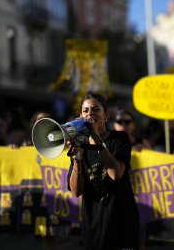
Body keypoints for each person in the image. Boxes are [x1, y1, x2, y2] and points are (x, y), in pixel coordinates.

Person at [67, 94, 140, 250]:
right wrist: (77, 161)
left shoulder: (119, 138)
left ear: (106, 115)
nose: (90, 114)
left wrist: (95, 137)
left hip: (121, 224)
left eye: (96, 109)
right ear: (80, 117)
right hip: (92, 227)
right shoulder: (80, 145)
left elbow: (116, 174)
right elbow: (76, 191)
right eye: (85, 110)